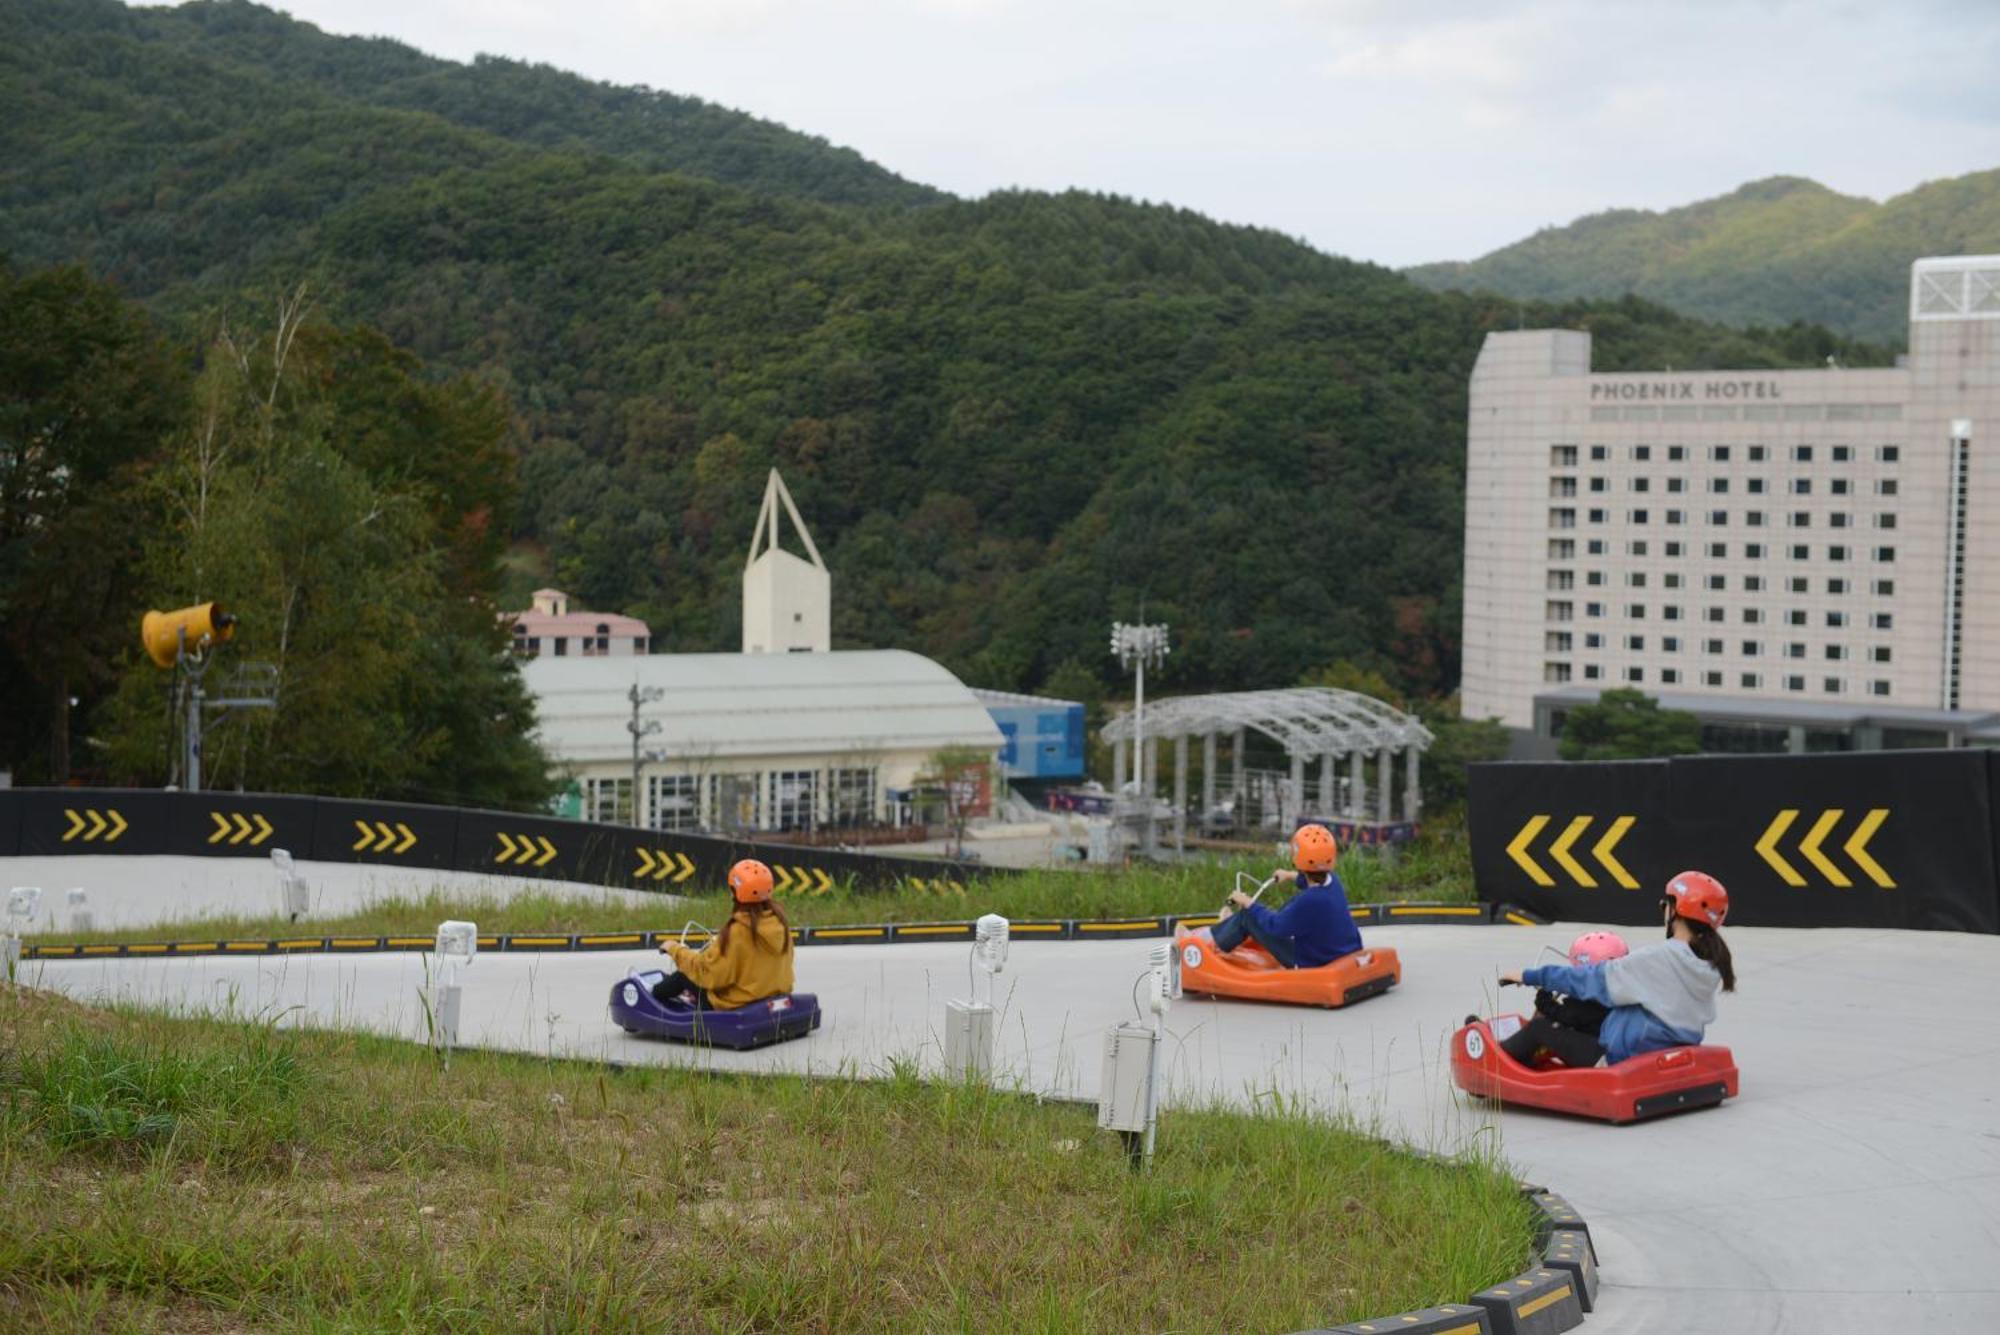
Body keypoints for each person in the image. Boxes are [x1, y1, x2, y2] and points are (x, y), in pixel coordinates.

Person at [1497, 871, 1736, 1067]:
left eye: (1665, 904)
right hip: (1663, 1049)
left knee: (1540, 1028)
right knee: (1589, 1019)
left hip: (1621, 1058)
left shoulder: (1658, 958)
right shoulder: (1709, 964)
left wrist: (1530, 976)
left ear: (1675, 910)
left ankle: (1495, 1059)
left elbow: (1589, 979)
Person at [1209, 823, 1363, 968]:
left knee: (1247, 916)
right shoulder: (1333, 882)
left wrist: (1247, 902)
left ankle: (1212, 941)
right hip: (1337, 953)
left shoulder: (1309, 900)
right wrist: (1289, 875)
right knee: (1286, 909)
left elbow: (1275, 926)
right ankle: (1229, 928)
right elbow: (1310, 880)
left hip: (1308, 960)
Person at [653, 858, 796, 1009]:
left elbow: (708, 974)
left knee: (683, 975)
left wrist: (675, 949)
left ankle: (652, 997)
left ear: (735, 892)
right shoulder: (780, 922)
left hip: (738, 1003)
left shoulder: (737, 931)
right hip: (769, 996)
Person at [1496, 930, 1629, 1068]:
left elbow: (1564, 1015)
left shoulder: (1589, 1002)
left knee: (1539, 1027)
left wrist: (1543, 997)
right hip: (1621, 1052)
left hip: (1604, 1059)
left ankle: (1498, 1058)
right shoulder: (1623, 990)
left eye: (1578, 972)